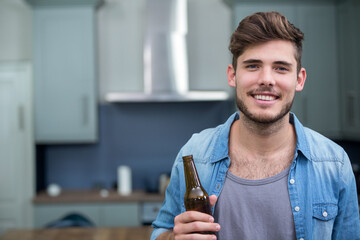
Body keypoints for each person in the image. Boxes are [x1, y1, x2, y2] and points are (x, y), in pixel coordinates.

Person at [151, 11, 360, 240]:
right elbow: (160, 230)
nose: (266, 79)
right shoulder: (194, 154)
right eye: (252, 66)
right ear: (233, 76)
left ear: (299, 80)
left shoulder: (335, 164)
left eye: (281, 68)